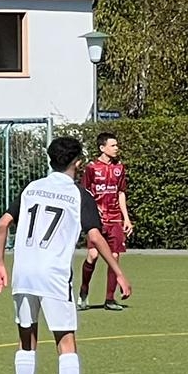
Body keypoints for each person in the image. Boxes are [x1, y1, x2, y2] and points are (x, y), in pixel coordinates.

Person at [0, 136, 131, 374]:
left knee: (26, 341)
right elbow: (95, 237)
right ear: (77, 162)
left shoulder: (31, 188)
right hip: (53, 275)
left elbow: (2, 224)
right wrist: (118, 272)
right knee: (66, 344)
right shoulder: (79, 194)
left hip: (24, 274)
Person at [77, 132, 132, 311]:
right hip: (97, 220)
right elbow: (84, 192)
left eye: (116, 145)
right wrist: (91, 208)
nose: (116, 148)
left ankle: (110, 299)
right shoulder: (91, 168)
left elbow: (121, 192)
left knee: (114, 257)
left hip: (115, 218)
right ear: (102, 148)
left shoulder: (119, 168)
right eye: (113, 145)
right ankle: (83, 292)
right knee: (93, 255)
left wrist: (126, 218)